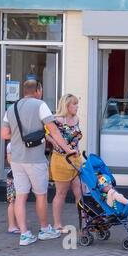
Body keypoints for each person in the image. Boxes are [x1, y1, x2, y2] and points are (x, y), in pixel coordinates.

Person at [0, 80, 76, 246]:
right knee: (41, 195)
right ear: (38, 90)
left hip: (17, 160)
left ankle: (25, 234)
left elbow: (4, 134)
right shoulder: (40, 105)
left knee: (20, 197)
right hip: (35, 160)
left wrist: (20, 135)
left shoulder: (11, 108)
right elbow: (54, 130)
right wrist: (67, 149)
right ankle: (44, 230)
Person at [47, 94, 83, 233]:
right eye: (74, 104)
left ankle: (84, 223)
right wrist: (54, 142)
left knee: (80, 192)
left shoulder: (76, 119)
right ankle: (57, 224)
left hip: (76, 159)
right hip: (61, 161)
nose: (77, 106)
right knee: (61, 193)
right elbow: (46, 133)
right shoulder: (56, 120)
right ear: (67, 106)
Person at [6, 142, 20, 234]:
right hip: (14, 175)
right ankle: (12, 225)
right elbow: (10, 160)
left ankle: (16, 224)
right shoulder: (13, 144)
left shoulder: (11, 144)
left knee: (16, 201)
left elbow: (9, 160)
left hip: (14, 174)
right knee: (13, 201)